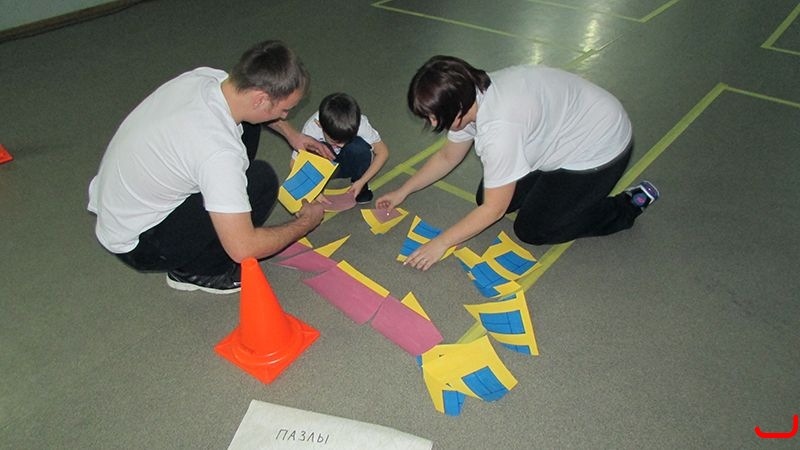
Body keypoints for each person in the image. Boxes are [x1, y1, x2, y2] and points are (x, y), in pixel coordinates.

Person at [88, 40, 333, 294]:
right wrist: (306, 222)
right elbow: (243, 248)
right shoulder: (218, 152)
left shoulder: (207, 78)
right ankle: (198, 271)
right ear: (260, 99)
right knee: (261, 182)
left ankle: (221, 204)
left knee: (248, 127)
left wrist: (293, 135)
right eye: (285, 110)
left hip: (120, 207)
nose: (284, 117)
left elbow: (253, 113)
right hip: (141, 242)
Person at [376, 56, 660, 271]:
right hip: (562, 132)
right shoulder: (471, 94)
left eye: (433, 117)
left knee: (533, 229)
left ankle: (625, 206)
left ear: (457, 108)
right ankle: (557, 192)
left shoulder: (499, 131)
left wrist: (441, 243)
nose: (431, 123)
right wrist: (403, 191)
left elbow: (495, 209)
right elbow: (448, 156)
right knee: (485, 195)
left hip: (599, 147)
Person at [291, 92, 389, 204]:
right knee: (315, 149)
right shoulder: (311, 129)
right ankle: (318, 185)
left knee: (359, 147)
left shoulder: (360, 124)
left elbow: (383, 152)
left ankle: (358, 183)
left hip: (349, 163)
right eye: (335, 141)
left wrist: (362, 181)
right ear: (320, 125)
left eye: (347, 139)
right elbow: (294, 163)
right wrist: (312, 191)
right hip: (326, 166)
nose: (342, 145)